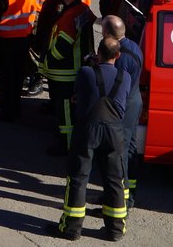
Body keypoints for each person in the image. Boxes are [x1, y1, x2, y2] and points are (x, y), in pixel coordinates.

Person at [49, 39, 131, 241]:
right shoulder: (125, 76)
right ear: (118, 56)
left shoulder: (86, 73)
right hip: (114, 132)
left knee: (78, 177)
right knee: (114, 180)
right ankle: (115, 230)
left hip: (88, 129)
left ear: (98, 53)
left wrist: (92, 64)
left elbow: (79, 94)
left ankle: (71, 227)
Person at [40, 0, 96, 155]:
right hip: (74, 69)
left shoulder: (70, 16)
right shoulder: (82, 10)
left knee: (65, 113)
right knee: (68, 112)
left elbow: (62, 48)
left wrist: (48, 58)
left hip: (64, 72)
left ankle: (67, 146)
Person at [102, 15, 143, 209]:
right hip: (135, 101)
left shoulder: (120, 56)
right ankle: (130, 193)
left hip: (124, 106)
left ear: (108, 34)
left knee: (120, 153)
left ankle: (121, 199)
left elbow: (114, 84)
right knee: (130, 149)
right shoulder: (133, 45)